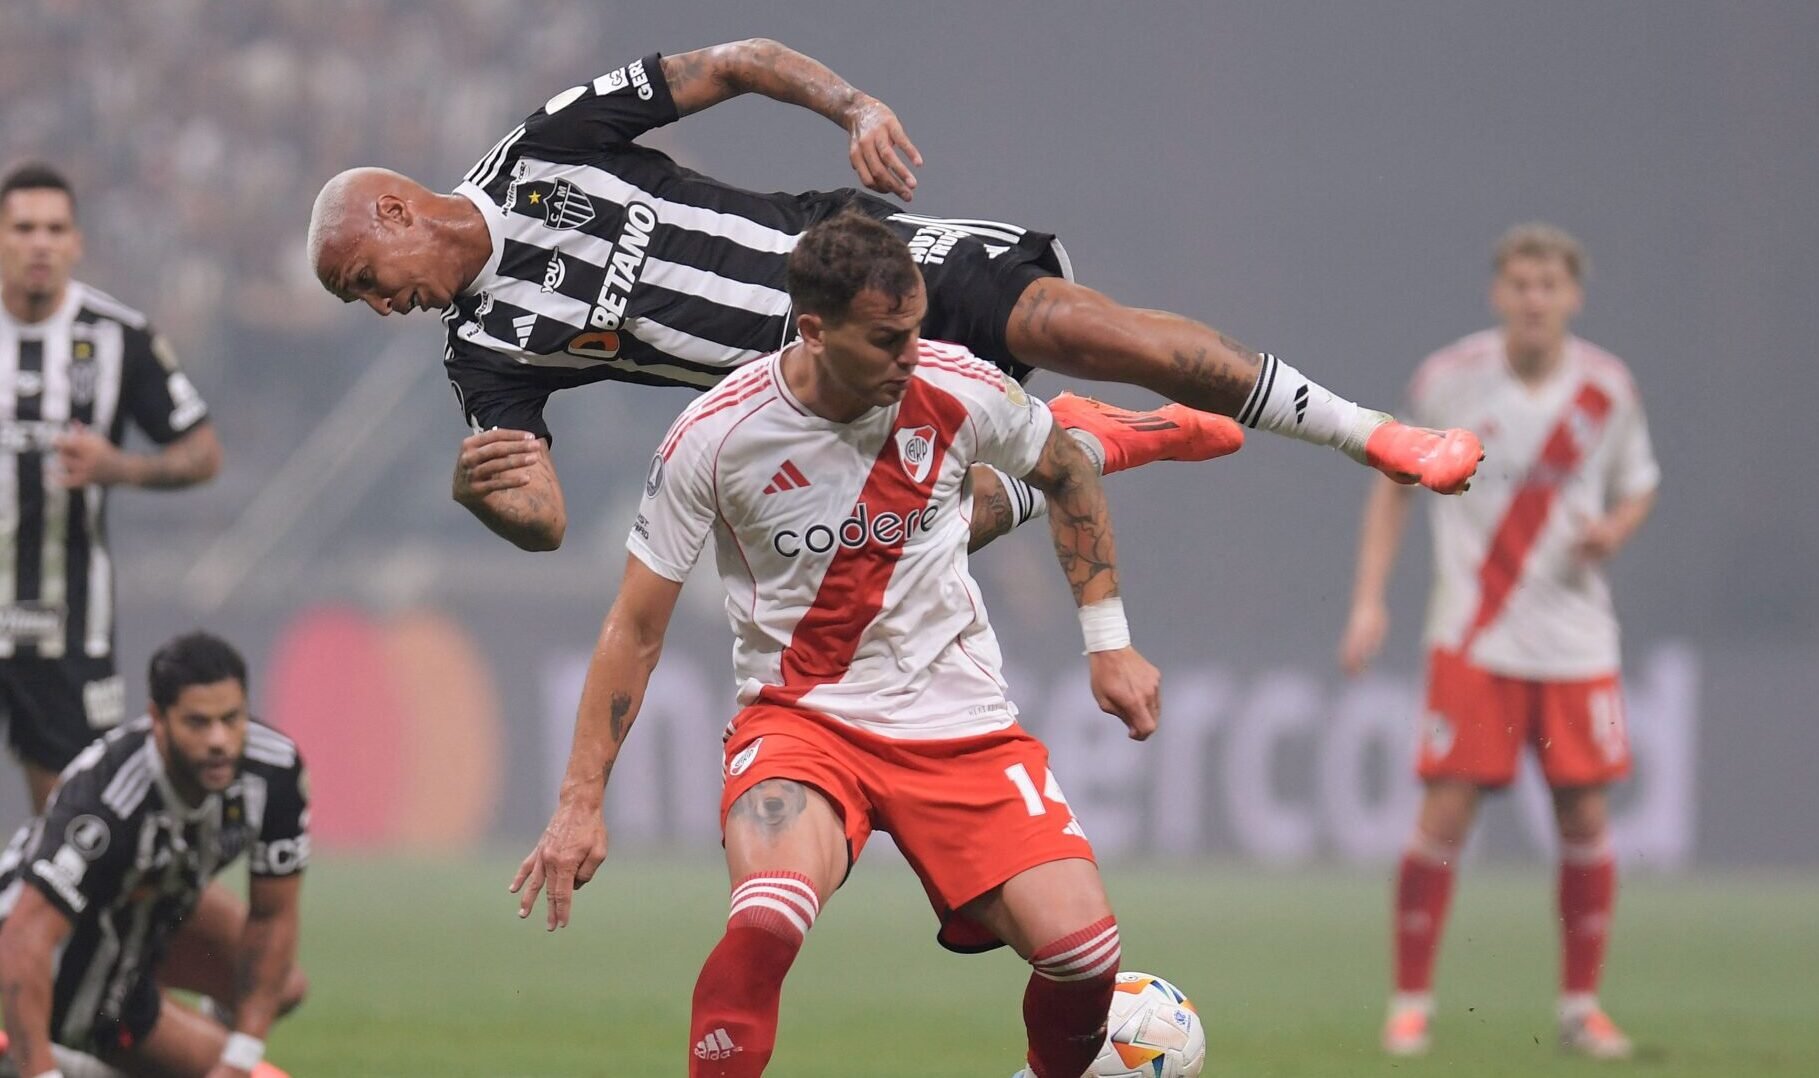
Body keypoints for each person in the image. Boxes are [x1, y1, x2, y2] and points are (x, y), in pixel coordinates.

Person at [307, 37, 1481, 554]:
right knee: (909, 552)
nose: (380, 309)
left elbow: (739, 61)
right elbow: (548, 518)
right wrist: (491, 501)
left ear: (401, 212)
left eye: (369, 280)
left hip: (846, 249)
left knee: (1077, 327)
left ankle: (1370, 433)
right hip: (818, 403)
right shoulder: (485, 355)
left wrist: (853, 105)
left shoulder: (544, 149)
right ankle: (1085, 451)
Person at [513, 213, 1160, 1077]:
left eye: (918, 328)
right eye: (888, 338)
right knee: (768, 916)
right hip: (803, 723)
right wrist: (580, 800)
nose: (911, 353)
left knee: (1084, 956)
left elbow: (1066, 470)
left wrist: (1108, 642)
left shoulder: (959, 387)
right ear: (813, 331)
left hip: (957, 718)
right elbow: (635, 626)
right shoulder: (717, 436)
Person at [1338, 224, 1659, 1060]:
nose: (1532, 299)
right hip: (1473, 638)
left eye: (1547, 285)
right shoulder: (1447, 380)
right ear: (1497, 293)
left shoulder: (1606, 390)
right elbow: (1393, 480)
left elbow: (1638, 487)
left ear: (1571, 297)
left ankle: (1580, 1007)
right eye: (1519, 284)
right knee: (1444, 813)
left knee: (1583, 813)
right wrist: (1369, 601)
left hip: (1575, 640)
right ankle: (1409, 1003)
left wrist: (1613, 532)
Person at [0, 163, 222, 812]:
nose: (39, 243)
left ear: (77, 242)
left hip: (68, 623)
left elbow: (202, 453)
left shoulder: (118, 336)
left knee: (72, 822)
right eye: (23, 228)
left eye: (54, 229)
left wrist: (118, 466)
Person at [0, 631, 307, 1078]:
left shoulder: (273, 773)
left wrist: (238, 1058)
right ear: (157, 721)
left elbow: (273, 918)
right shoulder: (107, 802)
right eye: (198, 723)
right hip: (54, 953)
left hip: (137, 932)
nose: (220, 740)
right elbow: (25, 935)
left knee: (284, 985)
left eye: (231, 718)